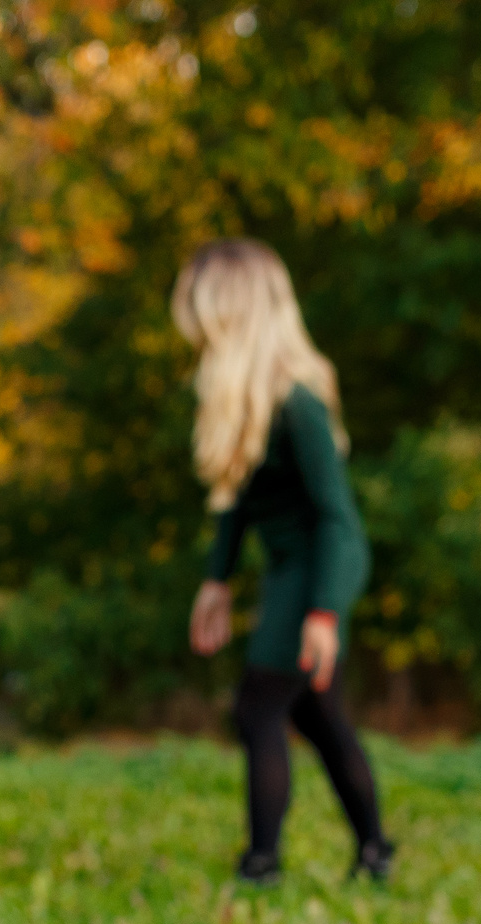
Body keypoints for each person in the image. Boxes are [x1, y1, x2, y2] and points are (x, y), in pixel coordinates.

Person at [174, 239, 394, 886]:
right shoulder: (247, 404)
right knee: (319, 716)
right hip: (286, 575)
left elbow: (339, 520)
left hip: (318, 574)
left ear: (231, 313)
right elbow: (236, 503)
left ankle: (261, 863)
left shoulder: (300, 404)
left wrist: (325, 611)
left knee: (258, 710)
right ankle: (375, 849)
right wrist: (216, 580)